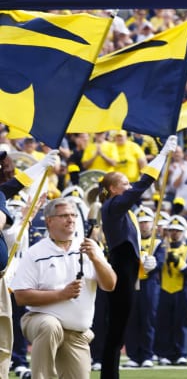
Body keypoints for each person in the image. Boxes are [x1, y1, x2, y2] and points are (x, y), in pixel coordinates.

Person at [10, 197, 117, 379]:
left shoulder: (90, 248)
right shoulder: (35, 253)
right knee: (51, 326)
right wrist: (61, 294)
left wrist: (96, 259)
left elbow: (110, 285)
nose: (71, 219)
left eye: (73, 215)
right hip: (39, 321)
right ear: (49, 220)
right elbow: (21, 296)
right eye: (64, 215)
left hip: (77, 332)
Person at [99, 135, 177, 379]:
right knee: (117, 327)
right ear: (113, 189)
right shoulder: (113, 206)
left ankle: (110, 374)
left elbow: (129, 244)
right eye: (123, 182)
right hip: (121, 267)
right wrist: (161, 157)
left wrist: (144, 259)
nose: (128, 184)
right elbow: (141, 185)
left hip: (129, 267)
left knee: (119, 327)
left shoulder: (124, 212)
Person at [0, 150, 60, 379]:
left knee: (12, 320)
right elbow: (11, 236)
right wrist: (24, 216)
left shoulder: (5, 195)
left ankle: (19, 360)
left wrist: (42, 165)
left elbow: (16, 184)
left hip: (13, 269)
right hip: (6, 271)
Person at [124, 205, 165, 368]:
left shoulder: (158, 243)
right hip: (133, 283)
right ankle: (133, 355)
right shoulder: (130, 239)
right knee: (132, 320)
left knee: (148, 319)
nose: (143, 225)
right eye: (140, 222)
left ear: (152, 224)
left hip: (149, 284)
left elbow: (162, 262)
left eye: (146, 222)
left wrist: (154, 263)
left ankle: (147, 354)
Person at [155, 215, 187, 366]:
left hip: (182, 290)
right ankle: (165, 353)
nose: (174, 233)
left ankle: (181, 353)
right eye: (171, 230)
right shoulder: (162, 248)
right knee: (164, 323)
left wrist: (178, 262)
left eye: (177, 231)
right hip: (165, 289)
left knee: (181, 323)